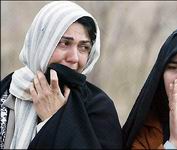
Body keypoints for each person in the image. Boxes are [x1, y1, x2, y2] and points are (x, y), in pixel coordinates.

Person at [0, 1, 122, 149]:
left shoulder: (97, 107)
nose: (74, 58)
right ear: (42, 42)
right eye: (64, 43)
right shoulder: (6, 91)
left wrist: (55, 121)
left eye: (84, 47)